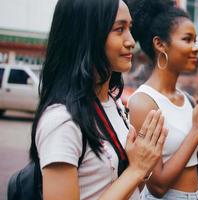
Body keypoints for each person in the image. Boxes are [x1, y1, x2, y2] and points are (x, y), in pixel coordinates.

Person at [29, 0, 167, 199]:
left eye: (130, 28)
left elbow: (123, 185)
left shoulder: (114, 103)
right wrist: (136, 169)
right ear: (87, 35)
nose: (130, 41)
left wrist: (142, 166)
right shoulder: (61, 121)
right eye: (119, 29)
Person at [127, 0, 198, 199]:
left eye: (195, 41)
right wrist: (197, 130)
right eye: (187, 39)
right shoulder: (143, 103)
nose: (195, 48)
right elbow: (158, 186)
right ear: (160, 44)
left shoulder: (188, 100)